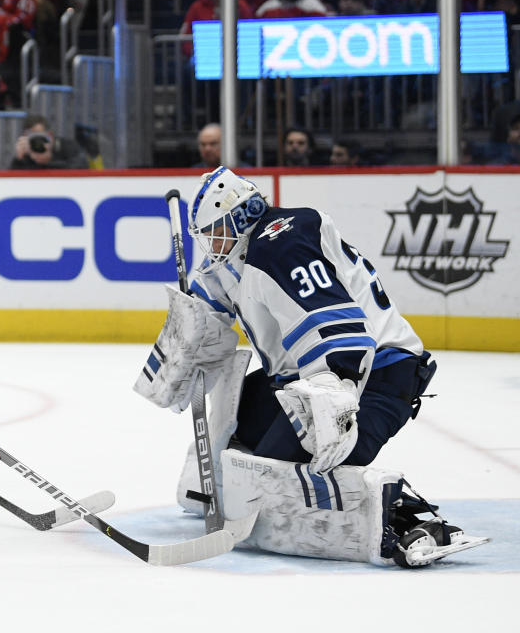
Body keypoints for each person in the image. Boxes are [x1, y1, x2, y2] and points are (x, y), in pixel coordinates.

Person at [134, 167, 487, 568]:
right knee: (240, 438)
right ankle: (232, 486)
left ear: (239, 215)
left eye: (214, 232)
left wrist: (332, 403)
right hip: (307, 381)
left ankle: (408, 516)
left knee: (274, 482)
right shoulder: (235, 251)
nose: (210, 246)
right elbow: (206, 308)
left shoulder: (283, 241)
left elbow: (340, 331)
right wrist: (178, 352)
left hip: (374, 375)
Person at [11, 113, 88, 170]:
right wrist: (19, 160)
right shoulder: (26, 153)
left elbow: (82, 168)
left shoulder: (68, 146)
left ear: (50, 135)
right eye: (31, 138)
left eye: (38, 136)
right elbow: (13, 183)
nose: (36, 142)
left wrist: (50, 161)